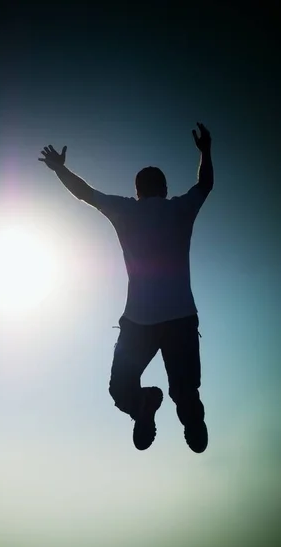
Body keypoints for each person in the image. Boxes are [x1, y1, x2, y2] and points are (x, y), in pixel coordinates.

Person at [38, 123, 214, 453]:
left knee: (120, 388)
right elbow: (205, 184)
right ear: (164, 189)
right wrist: (205, 151)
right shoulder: (179, 208)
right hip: (180, 319)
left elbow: (84, 193)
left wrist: (60, 169)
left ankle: (142, 402)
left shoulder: (125, 210)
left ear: (137, 191)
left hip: (137, 321)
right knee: (185, 389)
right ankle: (191, 423)